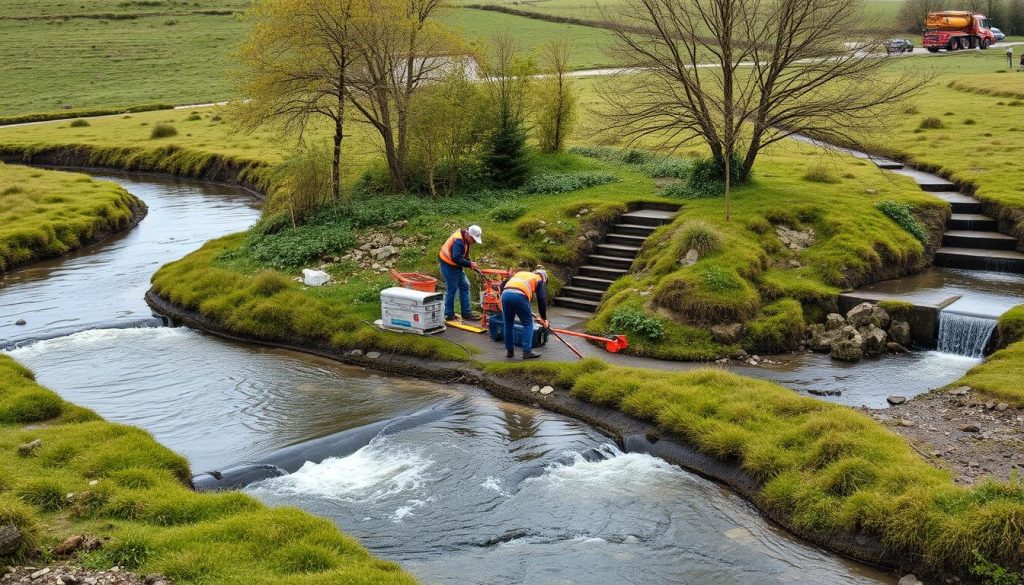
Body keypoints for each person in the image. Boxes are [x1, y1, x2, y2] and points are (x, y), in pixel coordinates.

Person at [500, 268, 549, 360]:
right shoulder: (539, 279)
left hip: (505, 294)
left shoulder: (520, 274)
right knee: (528, 323)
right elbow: (541, 299)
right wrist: (544, 318)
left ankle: (510, 352)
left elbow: (503, 284)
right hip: (520, 296)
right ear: (544, 277)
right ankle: (527, 352)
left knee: (508, 324)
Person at [438, 225, 483, 321]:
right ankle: (448, 314)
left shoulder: (466, 239)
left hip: (455, 264)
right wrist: (469, 264)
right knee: (452, 288)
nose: (474, 242)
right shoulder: (458, 241)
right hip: (447, 263)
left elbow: (464, 256)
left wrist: (469, 263)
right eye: (473, 239)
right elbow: (456, 258)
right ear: (468, 234)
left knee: (465, 286)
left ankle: (466, 313)